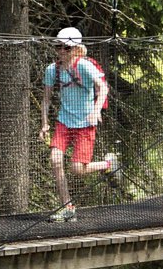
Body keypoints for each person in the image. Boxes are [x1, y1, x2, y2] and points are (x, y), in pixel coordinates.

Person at [39, 27, 117, 222]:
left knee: (77, 169)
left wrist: (96, 110)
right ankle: (67, 206)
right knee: (55, 160)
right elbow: (46, 99)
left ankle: (108, 164)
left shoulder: (84, 66)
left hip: (84, 124)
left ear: (74, 49)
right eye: (58, 47)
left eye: (65, 47)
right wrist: (44, 124)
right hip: (64, 122)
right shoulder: (52, 70)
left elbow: (103, 88)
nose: (60, 51)